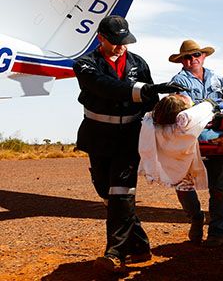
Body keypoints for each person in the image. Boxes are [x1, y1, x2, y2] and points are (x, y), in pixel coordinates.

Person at [73, 15, 187, 274]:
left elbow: (148, 102)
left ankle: (114, 253)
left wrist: (164, 121)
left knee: (121, 193)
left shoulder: (138, 63)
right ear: (100, 38)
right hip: (98, 137)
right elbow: (106, 87)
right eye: (115, 42)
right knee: (106, 193)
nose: (121, 46)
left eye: (124, 41)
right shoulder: (85, 64)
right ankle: (139, 246)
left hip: (129, 138)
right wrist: (148, 89)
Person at [168, 39, 223, 247]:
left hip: (216, 139)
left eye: (196, 55)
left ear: (203, 56)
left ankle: (217, 232)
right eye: (188, 56)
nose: (193, 59)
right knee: (184, 185)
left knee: (218, 186)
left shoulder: (218, 79)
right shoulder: (178, 81)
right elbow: (185, 109)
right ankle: (195, 217)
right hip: (190, 140)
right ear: (182, 61)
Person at [138, 95, 223, 190]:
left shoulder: (154, 128)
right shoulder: (190, 125)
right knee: (218, 186)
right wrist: (208, 104)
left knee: (189, 192)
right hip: (208, 149)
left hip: (177, 170)